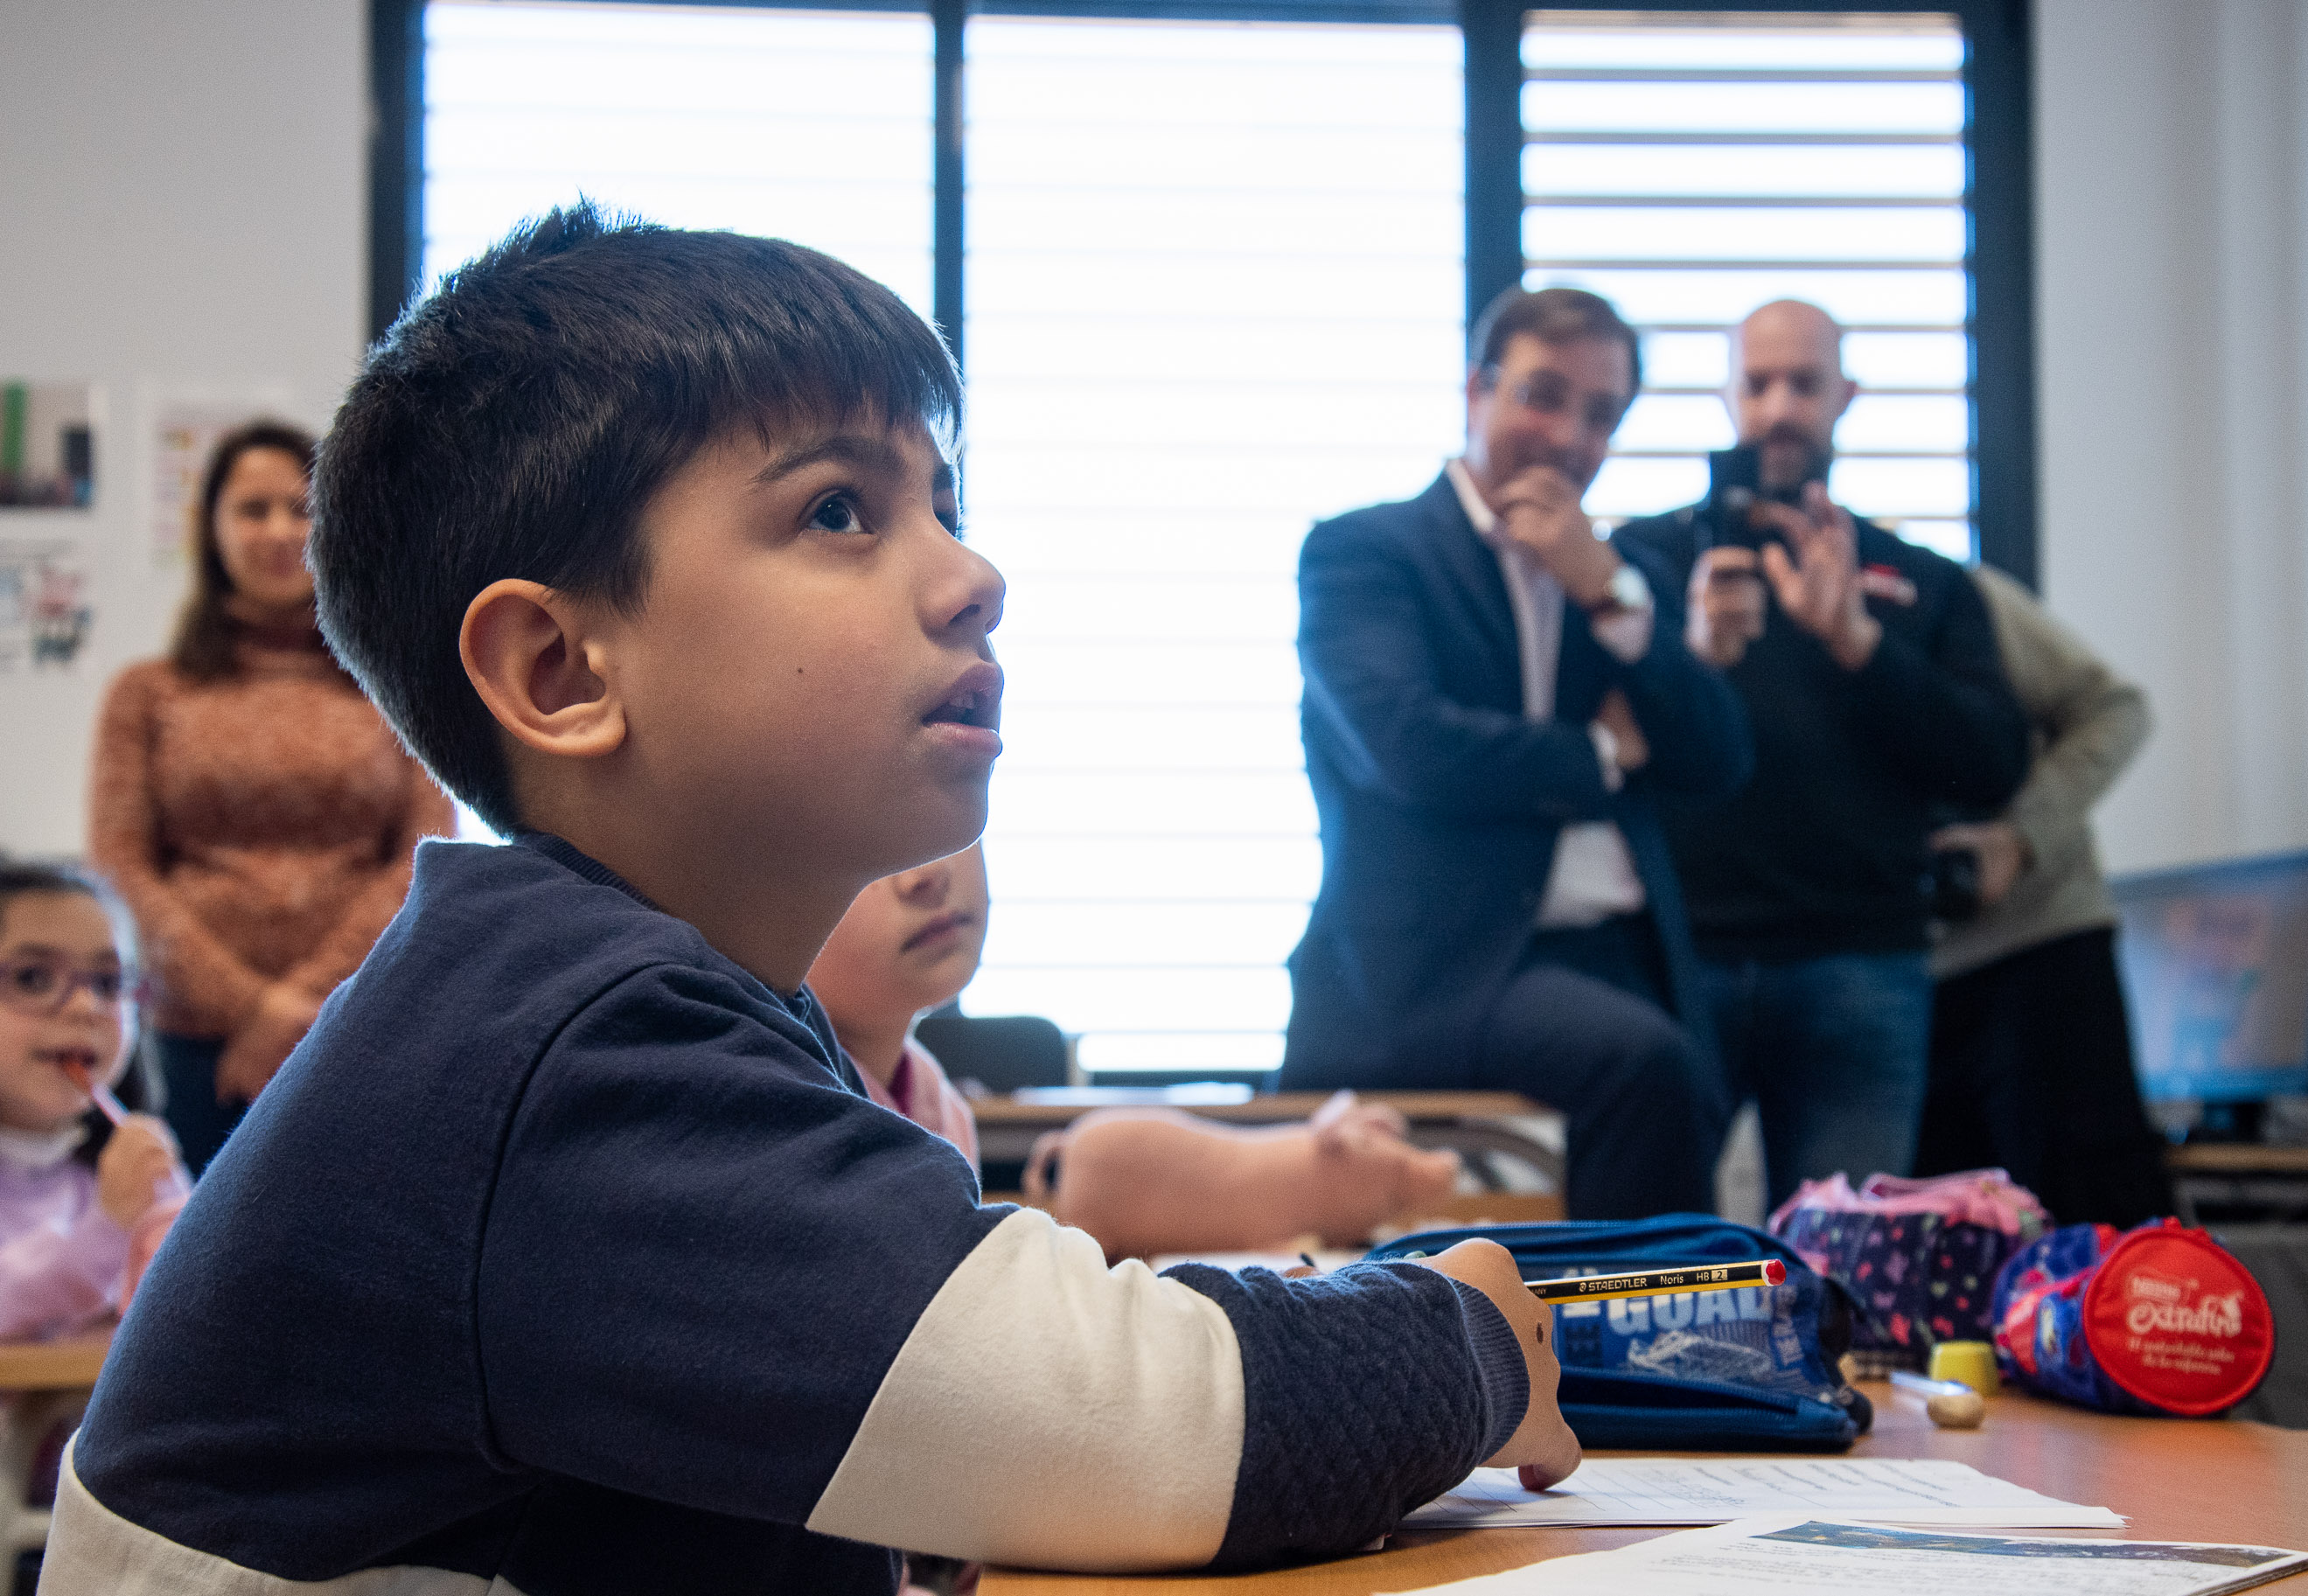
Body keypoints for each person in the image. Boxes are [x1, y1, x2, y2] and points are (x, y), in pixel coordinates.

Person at [40, 207, 1579, 1593]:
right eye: (840, 511)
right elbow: (1151, 1433)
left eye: (943, 500)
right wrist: (1466, 1328)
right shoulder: (565, 1048)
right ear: (562, 672)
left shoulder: (643, 1003)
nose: (971, 571)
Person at [1282, 286, 1751, 1221]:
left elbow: (1717, 756)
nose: (1568, 436)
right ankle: (1613, 1350)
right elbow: (1410, 748)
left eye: (1599, 414)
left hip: (1618, 953)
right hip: (1439, 957)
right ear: (1475, 389)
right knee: (1643, 1062)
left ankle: (1651, 1333)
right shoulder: (1365, 553)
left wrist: (1610, 595)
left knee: (1704, 1065)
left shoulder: (1616, 575)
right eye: (1542, 395)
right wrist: (1599, 754)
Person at [1615, 300, 2030, 1209]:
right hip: (1679, 956)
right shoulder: (1638, 560)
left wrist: (1857, 642)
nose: (1776, 409)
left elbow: (1992, 764)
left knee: (1844, 1277)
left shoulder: (1920, 580)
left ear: (1844, 394)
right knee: (1643, 1262)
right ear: (1726, 393)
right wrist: (1691, 656)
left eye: (1802, 383)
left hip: (1861, 963)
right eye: (1756, 383)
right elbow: (1598, 744)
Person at [87, 422, 452, 1172]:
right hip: (191, 1043)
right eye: (253, 510)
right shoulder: (148, 691)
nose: (280, 530)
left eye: (303, 507)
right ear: (213, 530)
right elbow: (119, 868)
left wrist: (301, 1005)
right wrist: (254, 1007)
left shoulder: (397, 687)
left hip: (359, 1023)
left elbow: (426, 856)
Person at [1914, 567, 2173, 1225]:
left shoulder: (1949, 591)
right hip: (1892, 983)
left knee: (2094, 1229)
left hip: (2040, 949)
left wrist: (2019, 837)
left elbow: (2116, 709)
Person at [0, 859, 186, 1342]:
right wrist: (109, 1228)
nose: (86, 1007)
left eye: (108, 983)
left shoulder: (138, 1172)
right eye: (32, 978)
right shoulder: (120, 1196)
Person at [807, 845, 986, 1164]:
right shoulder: (770, 1123)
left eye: (940, 821)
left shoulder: (942, 1104)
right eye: (858, 843)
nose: (929, 872)